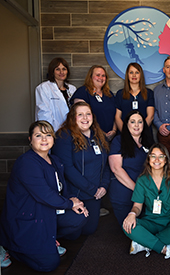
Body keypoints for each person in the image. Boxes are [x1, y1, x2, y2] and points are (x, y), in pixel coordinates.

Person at [0, 121, 88, 272]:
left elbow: (63, 189)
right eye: (38, 135)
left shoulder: (55, 161)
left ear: (53, 138)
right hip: (28, 216)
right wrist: (70, 204)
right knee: (49, 264)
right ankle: (11, 246)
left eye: (48, 135)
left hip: (46, 212)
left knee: (79, 217)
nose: (44, 139)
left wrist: (75, 201)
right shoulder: (26, 163)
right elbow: (45, 195)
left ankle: (49, 240)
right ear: (30, 139)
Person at [123, 143, 170, 261]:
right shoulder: (142, 180)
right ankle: (166, 249)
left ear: (166, 160)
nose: (157, 160)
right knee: (127, 226)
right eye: (153, 156)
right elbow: (137, 206)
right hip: (150, 222)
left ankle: (144, 242)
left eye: (161, 156)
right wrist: (132, 214)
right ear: (149, 159)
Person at [52, 102, 110, 237]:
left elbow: (106, 164)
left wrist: (103, 186)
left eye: (88, 114)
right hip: (75, 195)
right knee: (74, 233)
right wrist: (92, 189)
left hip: (95, 195)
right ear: (73, 117)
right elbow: (67, 168)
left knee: (89, 229)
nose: (85, 118)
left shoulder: (98, 135)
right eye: (80, 115)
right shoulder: (64, 136)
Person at [108, 110, 154, 226]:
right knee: (131, 228)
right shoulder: (118, 141)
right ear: (127, 124)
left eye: (140, 122)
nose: (137, 125)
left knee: (151, 225)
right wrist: (138, 190)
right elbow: (116, 169)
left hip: (146, 194)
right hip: (124, 194)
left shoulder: (148, 143)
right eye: (133, 122)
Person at [70, 65, 116, 141]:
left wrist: (114, 130)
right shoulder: (82, 92)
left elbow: (116, 114)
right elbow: (81, 117)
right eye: (98, 75)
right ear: (90, 77)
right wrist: (101, 133)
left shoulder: (109, 94)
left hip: (111, 138)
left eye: (103, 76)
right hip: (91, 137)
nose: (101, 78)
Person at [35, 57, 76, 131]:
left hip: (72, 129)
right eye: (57, 69)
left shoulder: (72, 89)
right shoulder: (43, 88)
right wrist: (50, 131)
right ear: (52, 71)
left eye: (64, 69)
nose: (61, 72)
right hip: (53, 130)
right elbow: (44, 113)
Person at [115, 63, 154, 132]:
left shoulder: (149, 93)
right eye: (131, 72)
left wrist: (140, 132)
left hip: (144, 135)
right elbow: (117, 117)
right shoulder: (120, 94)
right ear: (127, 75)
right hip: (124, 135)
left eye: (137, 72)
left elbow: (150, 116)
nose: (134, 75)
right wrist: (126, 134)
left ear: (141, 75)